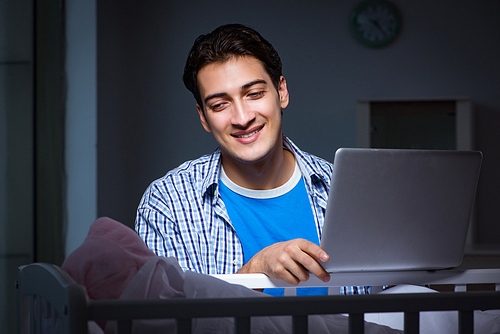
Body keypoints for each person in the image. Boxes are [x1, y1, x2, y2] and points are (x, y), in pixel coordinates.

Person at [135, 23, 368, 295]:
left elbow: (396, 303)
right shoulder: (167, 203)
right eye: (220, 104)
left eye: (254, 93)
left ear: (281, 92)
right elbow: (167, 321)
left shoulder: (349, 191)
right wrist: (253, 273)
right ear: (203, 117)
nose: (243, 118)